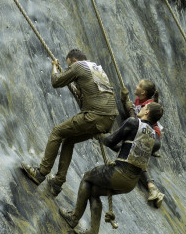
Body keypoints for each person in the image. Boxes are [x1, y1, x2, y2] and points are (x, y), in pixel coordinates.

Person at [59, 102, 164, 234]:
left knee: (86, 178)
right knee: (94, 191)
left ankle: (73, 218)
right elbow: (125, 149)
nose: (141, 108)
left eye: (144, 107)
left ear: (147, 112)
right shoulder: (154, 139)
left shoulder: (133, 122)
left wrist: (100, 135)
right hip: (130, 183)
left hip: (119, 172)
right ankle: (93, 233)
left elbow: (110, 141)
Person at [22, 49, 118, 196]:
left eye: (69, 64)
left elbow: (56, 81)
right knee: (69, 140)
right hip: (108, 118)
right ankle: (57, 183)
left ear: (74, 61)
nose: (69, 67)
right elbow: (90, 95)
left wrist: (54, 67)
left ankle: (40, 173)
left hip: (95, 115)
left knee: (57, 131)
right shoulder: (97, 69)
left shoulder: (79, 66)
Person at [120, 79, 164, 208]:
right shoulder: (139, 101)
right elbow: (133, 114)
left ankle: (153, 189)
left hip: (152, 137)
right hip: (146, 135)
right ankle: (153, 189)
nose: (135, 86)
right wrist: (125, 102)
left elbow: (135, 117)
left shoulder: (149, 105)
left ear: (143, 92)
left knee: (134, 157)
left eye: (138, 85)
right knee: (136, 158)